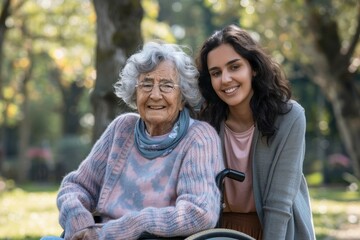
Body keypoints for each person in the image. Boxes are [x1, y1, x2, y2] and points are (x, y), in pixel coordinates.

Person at [41, 41, 224, 240]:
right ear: (135, 94)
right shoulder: (123, 129)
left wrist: (130, 226)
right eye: (146, 84)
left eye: (167, 85)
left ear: (182, 99)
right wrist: (79, 223)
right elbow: (75, 187)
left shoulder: (198, 137)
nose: (155, 95)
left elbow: (199, 212)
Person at [195, 24, 316, 240]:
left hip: (278, 229)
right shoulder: (205, 120)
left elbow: (279, 202)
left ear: (254, 68)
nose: (225, 79)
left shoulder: (289, 117)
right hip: (221, 231)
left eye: (234, 67)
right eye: (216, 72)